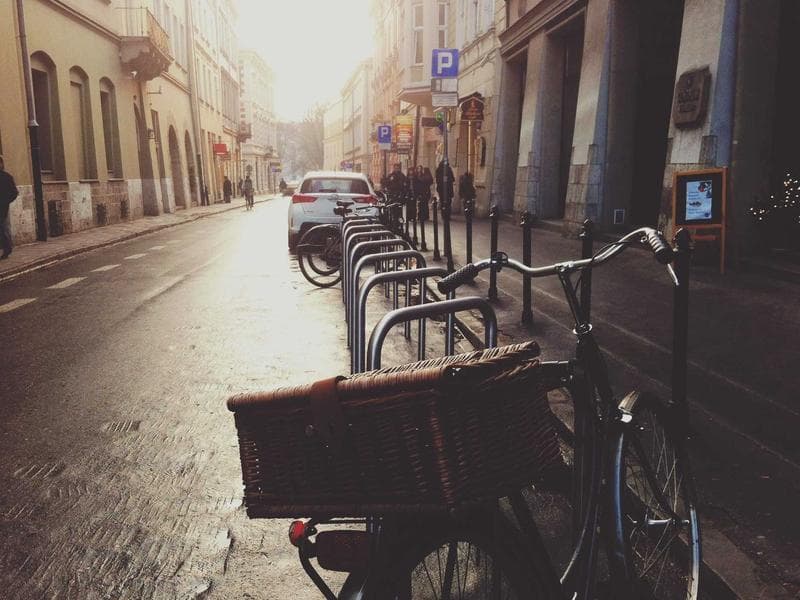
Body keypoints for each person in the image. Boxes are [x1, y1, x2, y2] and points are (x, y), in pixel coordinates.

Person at [0, 155, 18, 259]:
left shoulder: (6, 177)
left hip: (2, 206)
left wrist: (5, 201)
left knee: (2, 228)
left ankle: (7, 249)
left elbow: (14, 192)